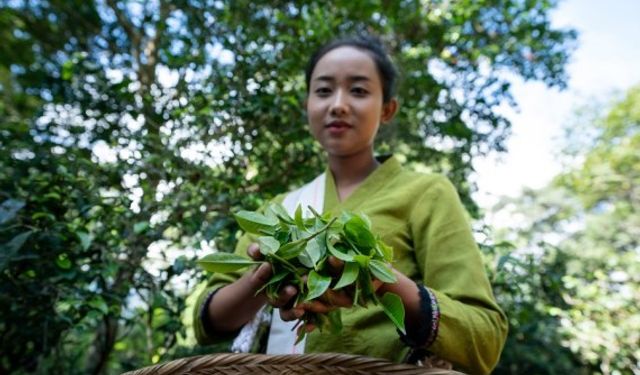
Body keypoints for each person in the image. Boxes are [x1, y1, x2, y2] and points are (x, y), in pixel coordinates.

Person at [193, 34, 508, 374]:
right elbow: (206, 323)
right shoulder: (277, 212)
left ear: (387, 109)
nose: (338, 104)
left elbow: (484, 337)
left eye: (358, 90)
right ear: (307, 104)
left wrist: (380, 279)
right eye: (324, 90)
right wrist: (261, 280)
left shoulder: (427, 193)